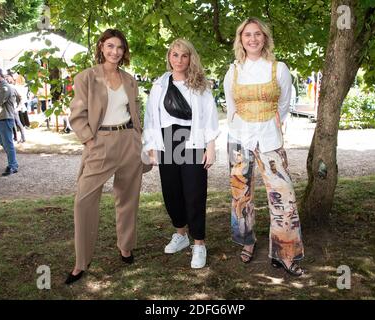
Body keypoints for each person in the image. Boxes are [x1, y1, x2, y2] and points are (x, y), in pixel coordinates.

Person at [223, 18, 305, 276]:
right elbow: (231, 106)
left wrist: (269, 121)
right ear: (241, 39)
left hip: (269, 138)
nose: (253, 39)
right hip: (239, 139)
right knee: (241, 196)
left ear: (265, 38)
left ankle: (285, 253)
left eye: (257, 34)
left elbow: (284, 105)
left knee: (284, 196)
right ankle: (247, 241)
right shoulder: (233, 70)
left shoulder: (279, 68)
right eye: (247, 35)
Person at [65, 29, 144, 285]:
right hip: (100, 143)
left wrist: (139, 139)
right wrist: (90, 140)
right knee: (83, 201)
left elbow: (135, 111)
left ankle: (126, 246)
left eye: (120, 48)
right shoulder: (86, 77)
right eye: (110, 46)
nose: (115, 52)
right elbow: (76, 115)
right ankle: (81, 261)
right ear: (101, 47)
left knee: (128, 198)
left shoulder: (130, 79)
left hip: (128, 141)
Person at [143, 39, 220, 269]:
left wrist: (211, 146)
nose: (179, 60)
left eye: (184, 56)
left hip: (192, 141)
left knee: (194, 194)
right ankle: (180, 234)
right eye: (174, 55)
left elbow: (210, 117)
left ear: (190, 58)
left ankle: (199, 243)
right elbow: (150, 116)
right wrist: (151, 145)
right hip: (168, 142)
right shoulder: (159, 85)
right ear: (169, 57)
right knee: (171, 192)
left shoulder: (200, 85)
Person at [0, 67, 19, 176]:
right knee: (3, 142)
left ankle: (13, 166)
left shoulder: (4, 87)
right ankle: (13, 163)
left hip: (5, 118)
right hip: (0, 118)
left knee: (8, 143)